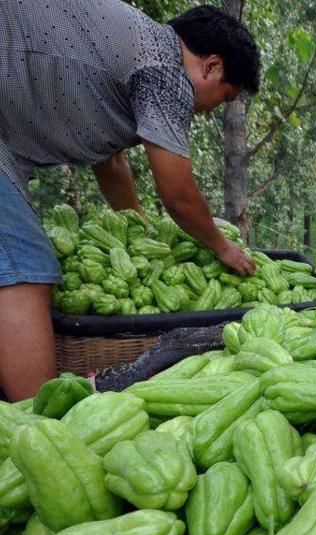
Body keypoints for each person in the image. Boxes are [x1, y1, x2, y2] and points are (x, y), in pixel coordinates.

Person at [0, 2, 261, 400]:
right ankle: (34, 425)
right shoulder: (165, 68)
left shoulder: (130, 55)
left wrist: (138, 227)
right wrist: (222, 246)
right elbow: (176, 193)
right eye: (222, 98)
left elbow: (112, 163)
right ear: (211, 66)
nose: (208, 111)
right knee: (27, 268)